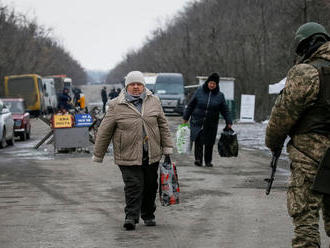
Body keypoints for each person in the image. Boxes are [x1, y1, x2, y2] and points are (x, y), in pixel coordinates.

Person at [265, 22, 330, 248]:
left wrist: (273, 143)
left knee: (306, 223)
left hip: (310, 157)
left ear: (308, 45)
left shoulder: (306, 72)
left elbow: (282, 116)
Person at [92, 71, 173, 231]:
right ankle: (131, 217)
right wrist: (98, 154)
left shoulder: (154, 101)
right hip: (127, 154)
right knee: (134, 185)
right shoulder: (116, 105)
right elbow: (104, 131)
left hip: (151, 153)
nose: (136, 87)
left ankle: (148, 214)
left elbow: (163, 125)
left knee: (150, 186)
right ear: (127, 86)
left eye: (139, 84)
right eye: (132, 84)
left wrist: (167, 148)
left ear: (144, 86)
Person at [183, 72, 232, 167]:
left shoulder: (220, 96)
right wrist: (186, 117)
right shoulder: (199, 92)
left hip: (211, 123)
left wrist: (229, 121)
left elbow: (225, 110)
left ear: (217, 85)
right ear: (207, 82)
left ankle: (208, 161)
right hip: (198, 121)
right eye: (211, 83)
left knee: (209, 142)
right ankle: (198, 160)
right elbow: (191, 105)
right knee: (199, 141)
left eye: (214, 84)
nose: (212, 85)